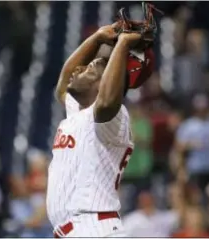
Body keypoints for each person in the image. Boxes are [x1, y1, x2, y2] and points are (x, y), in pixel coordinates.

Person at [46, 22, 151, 238]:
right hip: (76, 230)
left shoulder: (115, 116)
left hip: (94, 227)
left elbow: (106, 102)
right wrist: (96, 38)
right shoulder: (77, 113)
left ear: (104, 83)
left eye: (90, 68)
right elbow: (63, 85)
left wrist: (123, 43)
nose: (79, 68)